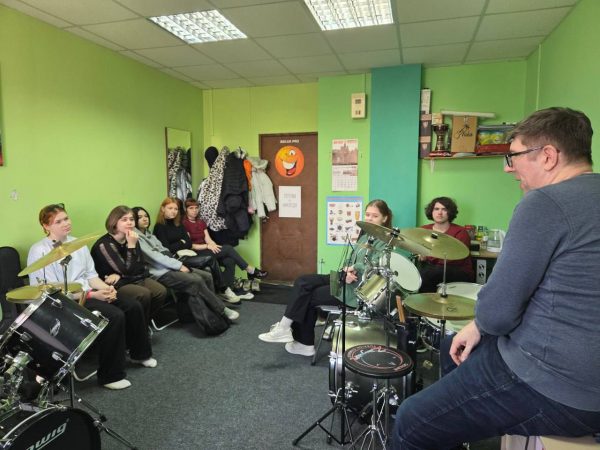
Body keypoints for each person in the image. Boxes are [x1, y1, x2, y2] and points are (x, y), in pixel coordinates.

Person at [392, 107, 600, 449]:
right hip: (585, 375)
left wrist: (482, 322)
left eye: (513, 156)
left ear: (548, 156)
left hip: (558, 386)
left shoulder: (545, 202)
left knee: (411, 421)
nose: (508, 167)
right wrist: (478, 327)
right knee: (453, 347)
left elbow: (496, 314)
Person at [27, 204, 156, 390]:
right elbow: (49, 290)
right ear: (46, 226)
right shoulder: (39, 251)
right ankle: (110, 376)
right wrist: (92, 294)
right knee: (114, 316)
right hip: (66, 301)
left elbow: (91, 276)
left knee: (132, 305)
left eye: (66, 218)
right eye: (58, 222)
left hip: (89, 292)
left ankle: (140, 354)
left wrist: (108, 289)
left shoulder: (77, 243)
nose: (66, 223)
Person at [258, 199, 392, 357]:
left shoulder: (386, 241)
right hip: (345, 278)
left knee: (308, 296)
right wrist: (347, 270)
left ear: (384, 218)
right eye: (367, 214)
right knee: (302, 281)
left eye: (375, 216)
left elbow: (377, 266)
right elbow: (351, 259)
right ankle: (285, 328)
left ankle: (303, 343)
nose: (369, 219)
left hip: (357, 290)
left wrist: (354, 269)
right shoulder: (365, 236)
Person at [131, 206, 239, 324]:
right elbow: (156, 257)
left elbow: (167, 249)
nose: (145, 219)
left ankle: (212, 310)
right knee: (196, 280)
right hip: (159, 272)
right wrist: (178, 265)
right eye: (140, 217)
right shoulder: (136, 237)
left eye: (146, 216)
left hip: (171, 263)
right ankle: (221, 309)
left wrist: (174, 259)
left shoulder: (149, 234)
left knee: (207, 275)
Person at [91, 206, 166, 328]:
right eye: (124, 219)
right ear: (114, 222)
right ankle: (137, 328)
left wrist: (119, 274)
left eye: (131, 219)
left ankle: (143, 324)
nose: (129, 222)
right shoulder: (105, 244)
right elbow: (128, 270)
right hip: (113, 284)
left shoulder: (131, 237)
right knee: (143, 294)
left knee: (160, 291)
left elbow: (140, 265)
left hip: (131, 277)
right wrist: (131, 246)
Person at [182, 198, 267, 297]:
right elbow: (190, 245)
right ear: (186, 209)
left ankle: (227, 290)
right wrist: (207, 246)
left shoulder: (201, 222)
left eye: (196, 208)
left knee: (229, 260)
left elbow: (208, 239)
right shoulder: (184, 224)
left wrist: (212, 245)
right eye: (191, 208)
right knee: (228, 248)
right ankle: (250, 270)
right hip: (196, 253)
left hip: (207, 249)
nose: (194, 210)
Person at [417, 197, 474, 292]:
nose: (440, 213)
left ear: (450, 212)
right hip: (430, 268)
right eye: (436, 209)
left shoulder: (461, 232)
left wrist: (427, 257)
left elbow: (455, 259)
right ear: (431, 211)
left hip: (457, 270)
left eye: (444, 209)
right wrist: (419, 254)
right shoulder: (424, 229)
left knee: (429, 273)